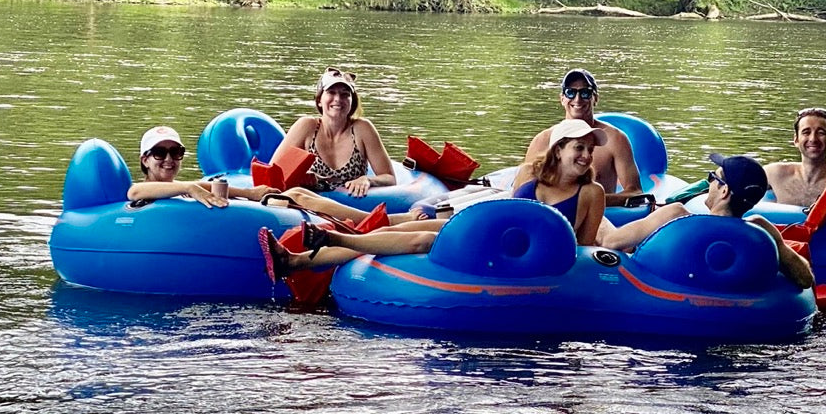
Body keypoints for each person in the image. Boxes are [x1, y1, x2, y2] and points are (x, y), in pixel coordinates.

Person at [258, 119, 608, 277]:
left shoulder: (592, 193)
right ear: (558, 151)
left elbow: (585, 245)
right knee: (409, 228)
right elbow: (508, 212)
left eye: (589, 150)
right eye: (579, 148)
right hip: (496, 237)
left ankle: (335, 235)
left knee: (423, 239)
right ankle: (297, 261)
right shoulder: (532, 177)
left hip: (523, 259)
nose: (586, 156)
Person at [595, 153, 815, 289]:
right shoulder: (761, 229)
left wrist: (591, 202)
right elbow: (805, 279)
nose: (708, 182)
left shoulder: (675, 216)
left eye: (713, 177)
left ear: (724, 190)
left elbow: (610, 243)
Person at [522, 68, 643, 207]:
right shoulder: (542, 140)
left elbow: (636, 192)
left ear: (595, 98)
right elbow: (525, 191)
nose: (577, 99)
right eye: (570, 92)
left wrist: (590, 202)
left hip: (603, 217)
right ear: (562, 99)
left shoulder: (615, 139)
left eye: (585, 93)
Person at [275, 66, 397, 197]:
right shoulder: (306, 126)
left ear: (352, 102)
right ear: (319, 100)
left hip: (353, 205)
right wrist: (300, 177)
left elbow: (389, 178)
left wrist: (367, 179)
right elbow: (272, 173)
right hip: (308, 204)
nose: (338, 99)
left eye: (345, 94)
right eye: (331, 92)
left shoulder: (362, 128)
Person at [127, 126, 279, 207]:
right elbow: (134, 192)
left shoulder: (179, 187)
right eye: (159, 153)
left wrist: (249, 193)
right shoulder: (141, 190)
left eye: (176, 152)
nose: (169, 159)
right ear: (145, 160)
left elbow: (201, 186)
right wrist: (189, 189)